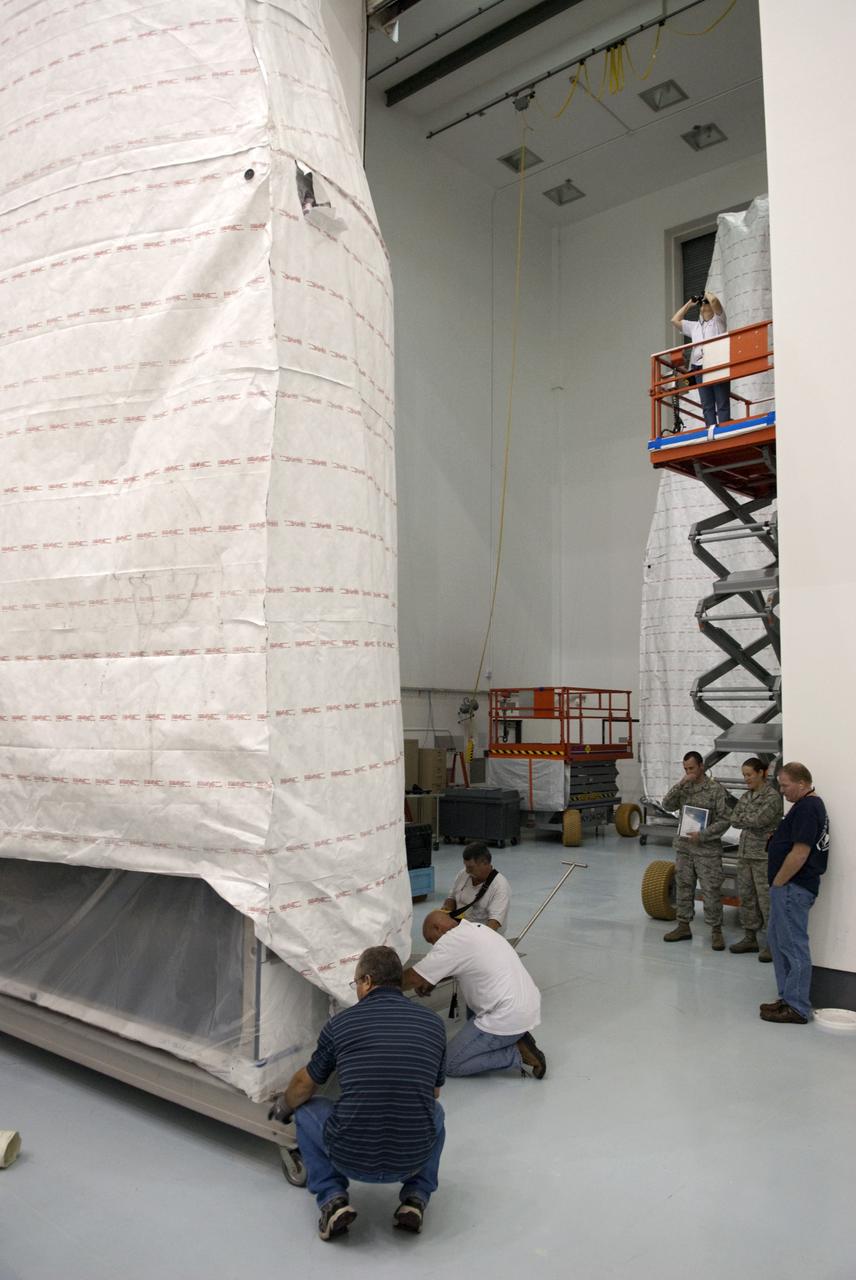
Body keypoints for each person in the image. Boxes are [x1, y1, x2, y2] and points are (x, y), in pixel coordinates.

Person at [275, 945, 446, 1241]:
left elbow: (304, 1085)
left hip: (349, 1156)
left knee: (306, 1110)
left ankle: (332, 1199)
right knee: (436, 1114)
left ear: (367, 981)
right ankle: (415, 1198)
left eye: (355, 983)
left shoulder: (341, 1025)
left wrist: (284, 1106)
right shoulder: (433, 1025)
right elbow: (434, 1092)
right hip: (411, 1156)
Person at [403, 912, 546, 1079]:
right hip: (524, 1005)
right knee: (473, 996)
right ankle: (514, 1037)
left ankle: (517, 1054)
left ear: (438, 928)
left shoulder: (451, 942)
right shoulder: (477, 930)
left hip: (506, 1016)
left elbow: (414, 977)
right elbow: (462, 964)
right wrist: (433, 978)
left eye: (431, 939)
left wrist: (383, 982)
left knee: (450, 1064)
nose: (433, 945)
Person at [760, 762, 829, 1025]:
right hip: (789, 888)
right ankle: (788, 998)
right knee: (779, 942)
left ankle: (798, 1007)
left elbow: (800, 852)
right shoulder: (804, 807)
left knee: (793, 946)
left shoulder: (808, 808)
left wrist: (779, 882)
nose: (782, 790)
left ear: (802, 783)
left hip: (792, 888)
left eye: (785, 785)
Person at [660, 750, 733, 950]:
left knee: (710, 890)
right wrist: (681, 784)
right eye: (685, 769)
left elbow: (726, 820)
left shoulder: (715, 790)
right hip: (685, 848)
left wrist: (704, 835)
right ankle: (683, 925)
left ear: (701, 766)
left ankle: (716, 931)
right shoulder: (684, 788)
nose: (689, 772)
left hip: (707, 850)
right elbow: (666, 805)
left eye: (692, 768)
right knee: (684, 887)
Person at [728, 757, 783, 962]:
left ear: (762, 773)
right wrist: (747, 820)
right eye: (744, 775)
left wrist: (745, 819)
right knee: (746, 897)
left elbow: (761, 820)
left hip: (763, 856)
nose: (746, 779)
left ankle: (771, 943)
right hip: (744, 855)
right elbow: (734, 819)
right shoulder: (746, 796)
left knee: (766, 900)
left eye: (749, 774)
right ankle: (750, 937)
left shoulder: (772, 797)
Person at [671, 291, 731, 427]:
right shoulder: (695, 326)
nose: (703, 306)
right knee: (707, 404)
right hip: (699, 367)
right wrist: (690, 303)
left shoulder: (719, 320)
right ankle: (711, 429)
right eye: (701, 304)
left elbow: (715, 301)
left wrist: (706, 294)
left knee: (722, 401)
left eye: (705, 303)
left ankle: (725, 430)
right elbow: (674, 320)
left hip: (716, 364)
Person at [441, 841, 511, 931]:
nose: (467, 871)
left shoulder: (500, 887)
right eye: (466, 866)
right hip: (459, 928)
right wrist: (445, 911)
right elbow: (452, 898)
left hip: (482, 935)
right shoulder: (463, 874)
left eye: (470, 867)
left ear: (485, 863)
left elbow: (493, 924)